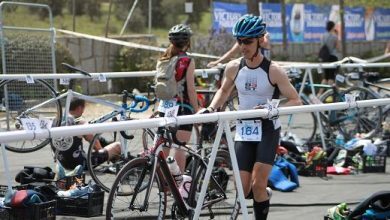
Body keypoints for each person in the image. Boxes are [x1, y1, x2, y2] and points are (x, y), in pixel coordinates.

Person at [199, 15, 301, 220]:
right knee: (243, 191)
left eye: (248, 41)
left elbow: (295, 100)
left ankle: (261, 196)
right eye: (239, 41)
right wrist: (210, 109)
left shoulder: (274, 70)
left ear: (260, 41)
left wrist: (272, 107)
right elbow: (224, 91)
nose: (243, 46)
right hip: (245, 130)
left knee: (258, 184)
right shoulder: (233, 67)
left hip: (267, 130)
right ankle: (263, 196)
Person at [157, 24, 199, 173]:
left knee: (165, 146)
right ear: (188, 42)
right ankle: (179, 186)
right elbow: (190, 89)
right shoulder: (187, 61)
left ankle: (162, 183)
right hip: (182, 107)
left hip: (164, 107)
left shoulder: (163, 58)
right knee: (180, 148)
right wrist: (197, 110)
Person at [51, 98, 121, 177]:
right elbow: (94, 142)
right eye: (83, 108)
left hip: (63, 164)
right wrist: (105, 154)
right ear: (79, 108)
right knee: (118, 146)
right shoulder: (79, 122)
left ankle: (117, 166)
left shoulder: (56, 120)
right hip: (80, 165)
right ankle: (122, 169)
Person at [207, 32, 272, 68]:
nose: (243, 44)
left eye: (247, 42)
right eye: (240, 41)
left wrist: (216, 62)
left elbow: (231, 53)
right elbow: (231, 53)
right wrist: (217, 62)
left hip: (264, 69)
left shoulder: (263, 39)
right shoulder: (244, 39)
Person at [318, 20, 341, 95]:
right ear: (333, 27)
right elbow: (338, 47)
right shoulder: (334, 36)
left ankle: (319, 94)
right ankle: (329, 94)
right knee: (331, 77)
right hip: (333, 57)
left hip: (324, 58)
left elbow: (321, 46)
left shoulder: (323, 36)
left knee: (325, 77)